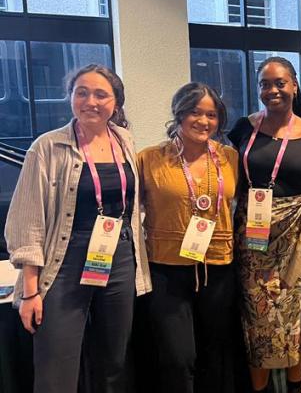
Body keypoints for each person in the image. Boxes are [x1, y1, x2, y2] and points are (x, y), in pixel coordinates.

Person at [5, 64, 152, 393]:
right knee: (56, 363)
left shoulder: (124, 140)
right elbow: (27, 222)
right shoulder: (48, 147)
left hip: (119, 256)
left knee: (113, 361)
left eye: (101, 94)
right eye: (81, 93)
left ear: (116, 102)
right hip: (65, 261)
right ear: (70, 96)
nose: (91, 102)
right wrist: (30, 291)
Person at [228, 56, 301, 393]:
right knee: (257, 319)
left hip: (297, 242)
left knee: (294, 319)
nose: (272, 90)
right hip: (252, 241)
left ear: (294, 86)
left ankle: (293, 387)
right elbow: (229, 182)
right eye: (265, 84)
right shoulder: (243, 129)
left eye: (280, 83)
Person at [135, 83, 239, 392]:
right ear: (179, 113)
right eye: (195, 112)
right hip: (167, 270)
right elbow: (128, 210)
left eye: (211, 115)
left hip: (218, 269)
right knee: (178, 358)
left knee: (214, 353)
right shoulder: (149, 159)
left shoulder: (230, 158)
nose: (204, 121)